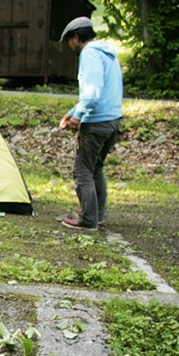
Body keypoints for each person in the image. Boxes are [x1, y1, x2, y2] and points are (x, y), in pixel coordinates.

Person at [57, 16, 123, 230]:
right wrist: (71, 113)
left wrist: (79, 117)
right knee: (96, 168)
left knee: (83, 170)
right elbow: (95, 94)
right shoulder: (107, 53)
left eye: (69, 41)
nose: (70, 46)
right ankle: (98, 215)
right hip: (112, 120)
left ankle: (87, 220)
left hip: (96, 123)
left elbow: (92, 94)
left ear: (76, 37)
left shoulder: (90, 54)